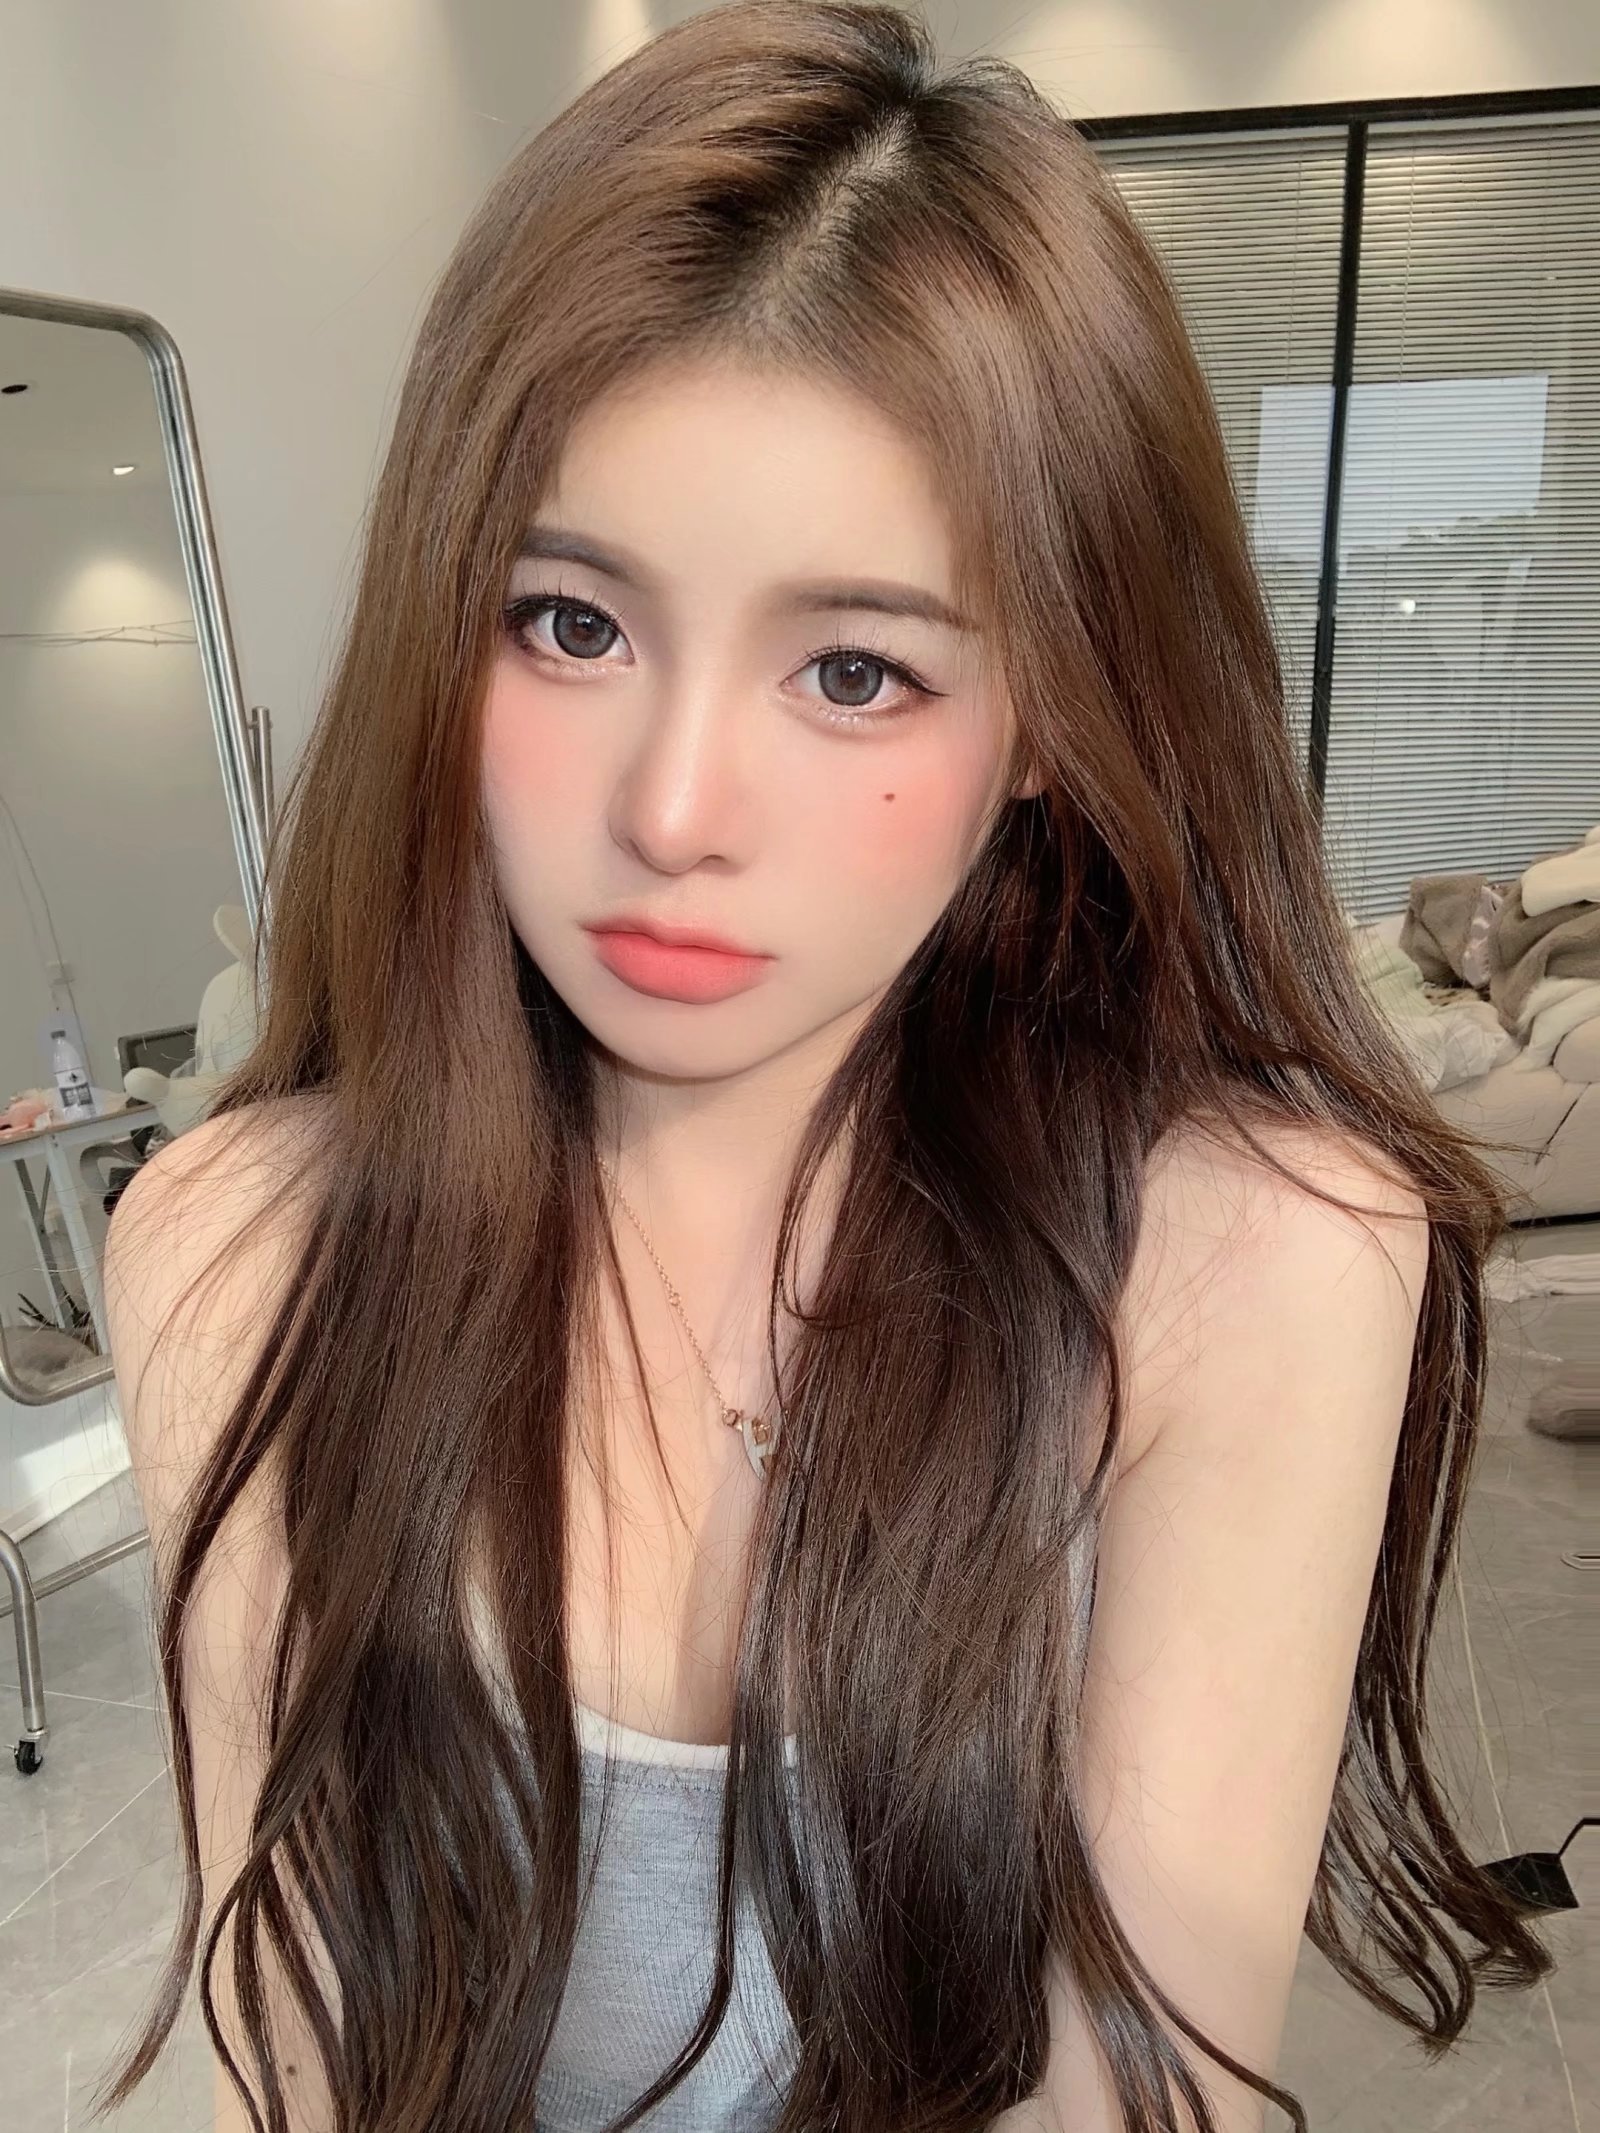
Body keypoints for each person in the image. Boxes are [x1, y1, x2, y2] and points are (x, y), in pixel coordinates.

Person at [97, 6, 1552, 2130]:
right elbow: (297, 2066)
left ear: (1047, 714)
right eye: (571, 623)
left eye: (854, 668)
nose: (673, 806)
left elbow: (1133, 2103)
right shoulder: (236, 1254)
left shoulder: (1251, 1258)